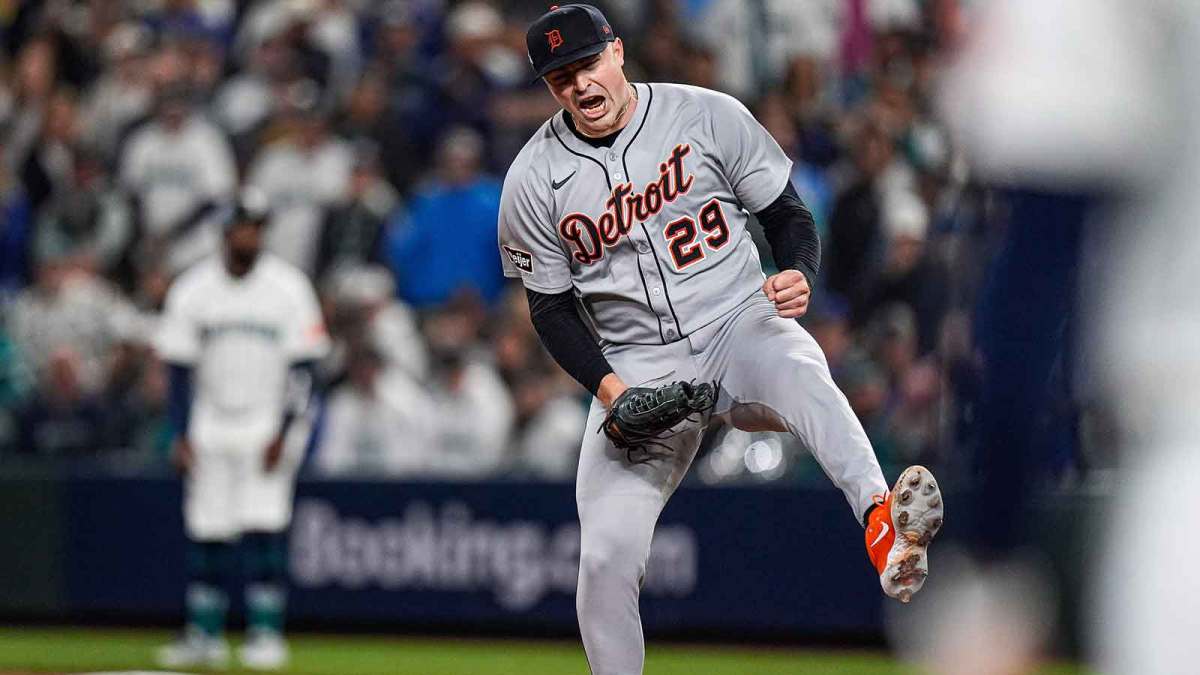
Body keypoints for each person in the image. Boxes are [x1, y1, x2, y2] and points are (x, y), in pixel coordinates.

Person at [496, 6, 945, 673]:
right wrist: (613, 391)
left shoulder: (705, 114)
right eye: (560, 77)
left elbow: (787, 214)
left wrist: (798, 271)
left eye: (587, 64)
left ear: (617, 52)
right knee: (604, 559)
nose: (579, 84)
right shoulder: (532, 178)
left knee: (799, 366)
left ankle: (882, 520)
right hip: (635, 364)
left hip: (736, 321)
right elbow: (552, 309)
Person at [154, 189, 330, 670]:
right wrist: (179, 432)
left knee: (263, 525)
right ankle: (204, 635)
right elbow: (178, 369)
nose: (248, 236)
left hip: (267, 422)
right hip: (210, 419)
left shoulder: (288, 288)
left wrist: (287, 430)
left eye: (255, 228)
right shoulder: (193, 288)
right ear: (225, 232)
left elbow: (305, 368)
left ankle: (266, 633)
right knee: (207, 528)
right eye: (241, 228)